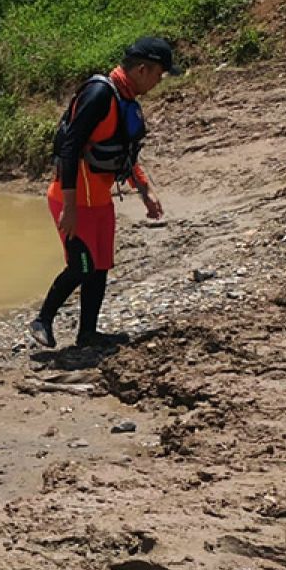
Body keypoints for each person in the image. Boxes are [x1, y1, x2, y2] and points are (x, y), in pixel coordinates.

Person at [29, 37, 180, 349]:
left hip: (98, 201)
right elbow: (70, 149)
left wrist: (146, 191)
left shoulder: (125, 101)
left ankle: (87, 333)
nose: (157, 82)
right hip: (71, 200)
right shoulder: (100, 94)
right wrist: (69, 208)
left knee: (99, 267)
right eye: (158, 75)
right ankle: (42, 319)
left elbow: (125, 154)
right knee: (81, 266)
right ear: (142, 69)